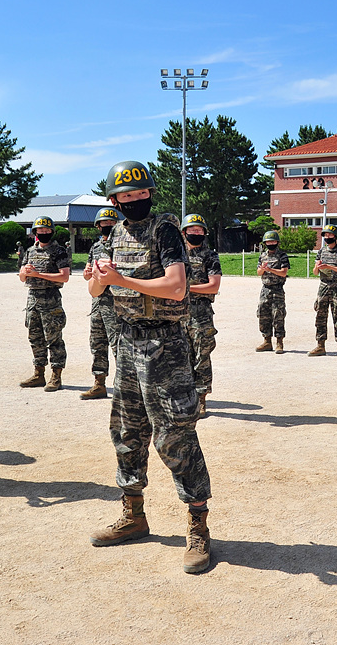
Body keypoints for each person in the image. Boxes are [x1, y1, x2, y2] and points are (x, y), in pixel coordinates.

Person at [87, 160, 213, 574]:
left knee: (175, 435)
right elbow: (94, 289)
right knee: (126, 432)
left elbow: (177, 287)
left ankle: (197, 527)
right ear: (114, 200)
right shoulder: (111, 235)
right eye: (127, 195)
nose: (136, 200)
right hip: (126, 341)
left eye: (142, 193)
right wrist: (100, 278)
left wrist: (121, 280)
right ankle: (133, 514)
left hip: (166, 345)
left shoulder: (165, 231)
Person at [17, 216, 72, 390]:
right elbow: (21, 277)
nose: (44, 233)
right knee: (35, 338)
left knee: (54, 338)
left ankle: (56, 375)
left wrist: (38, 275)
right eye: (40, 231)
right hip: (33, 299)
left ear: (52, 232)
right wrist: (24, 272)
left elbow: (64, 276)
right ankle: (39, 373)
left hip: (51, 299)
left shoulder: (59, 251)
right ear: (35, 232)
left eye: (47, 231)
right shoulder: (30, 251)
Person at [181, 214, 222, 418]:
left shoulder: (210, 256)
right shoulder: (176, 255)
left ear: (205, 233)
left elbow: (213, 286)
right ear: (184, 232)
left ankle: (202, 398)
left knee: (202, 355)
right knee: (182, 356)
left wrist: (186, 289)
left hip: (201, 314)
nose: (195, 233)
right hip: (178, 313)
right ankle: (187, 398)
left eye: (199, 230)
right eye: (191, 230)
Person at [81, 207, 122, 400]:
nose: (108, 225)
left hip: (117, 302)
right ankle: (99, 383)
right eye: (104, 223)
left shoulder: (123, 245)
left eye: (112, 223)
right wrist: (87, 273)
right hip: (98, 302)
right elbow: (87, 273)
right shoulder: (95, 248)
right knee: (97, 343)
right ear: (98, 226)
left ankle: (123, 386)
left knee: (119, 345)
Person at [308, 224, 337, 360]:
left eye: (330, 235)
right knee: (320, 315)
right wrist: (317, 267)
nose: (327, 237)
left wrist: (329, 266)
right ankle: (320, 345)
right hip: (323, 286)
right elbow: (315, 272)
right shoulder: (321, 251)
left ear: (335, 236)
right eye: (325, 235)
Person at [255, 230, 289, 353]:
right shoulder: (263, 256)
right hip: (265, 289)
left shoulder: (282, 256)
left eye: (273, 241)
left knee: (278, 315)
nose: (271, 244)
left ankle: (279, 342)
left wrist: (270, 269)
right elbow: (258, 272)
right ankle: (267, 341)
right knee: (263, 315)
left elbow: (284, 272)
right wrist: (263, 269)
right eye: (268, 242)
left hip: (277, 289)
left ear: (277, 242)